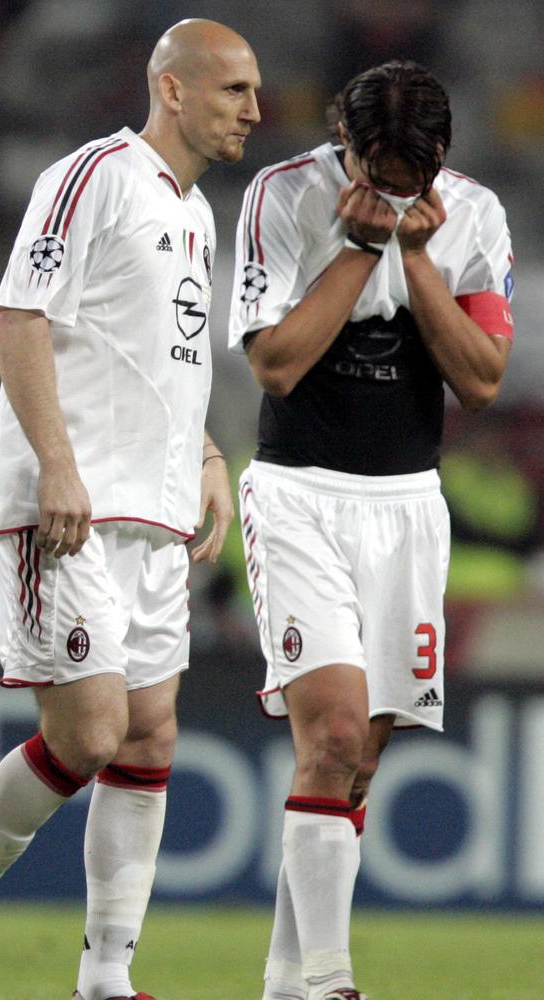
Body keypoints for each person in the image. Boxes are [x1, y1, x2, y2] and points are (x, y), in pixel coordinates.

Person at [0, 18, 260, 1000]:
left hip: (154, 517)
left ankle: (106, 978)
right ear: (173, 88)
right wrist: (58, 468)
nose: (253, 109)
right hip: (64, 509)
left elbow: (162, 363)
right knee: (94, 731)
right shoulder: (93, 173)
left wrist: (206, 454)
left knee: (149, 736)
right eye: (232, 88)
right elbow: (19, 315)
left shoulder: (195, 214)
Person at [229, 60, 513, 1000]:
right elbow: (275, 363)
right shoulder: (282, 195)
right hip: (299, 491)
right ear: (341, 143)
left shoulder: (473, 216)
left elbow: (478, 378)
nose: (396, 195)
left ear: (445, 158)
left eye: (415, 179)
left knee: (355, 763)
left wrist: (417, 256)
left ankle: (284, 986)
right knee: (336, 732)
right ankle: (330, 980)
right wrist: (361, 247)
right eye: (376, 171)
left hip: (407, 507)